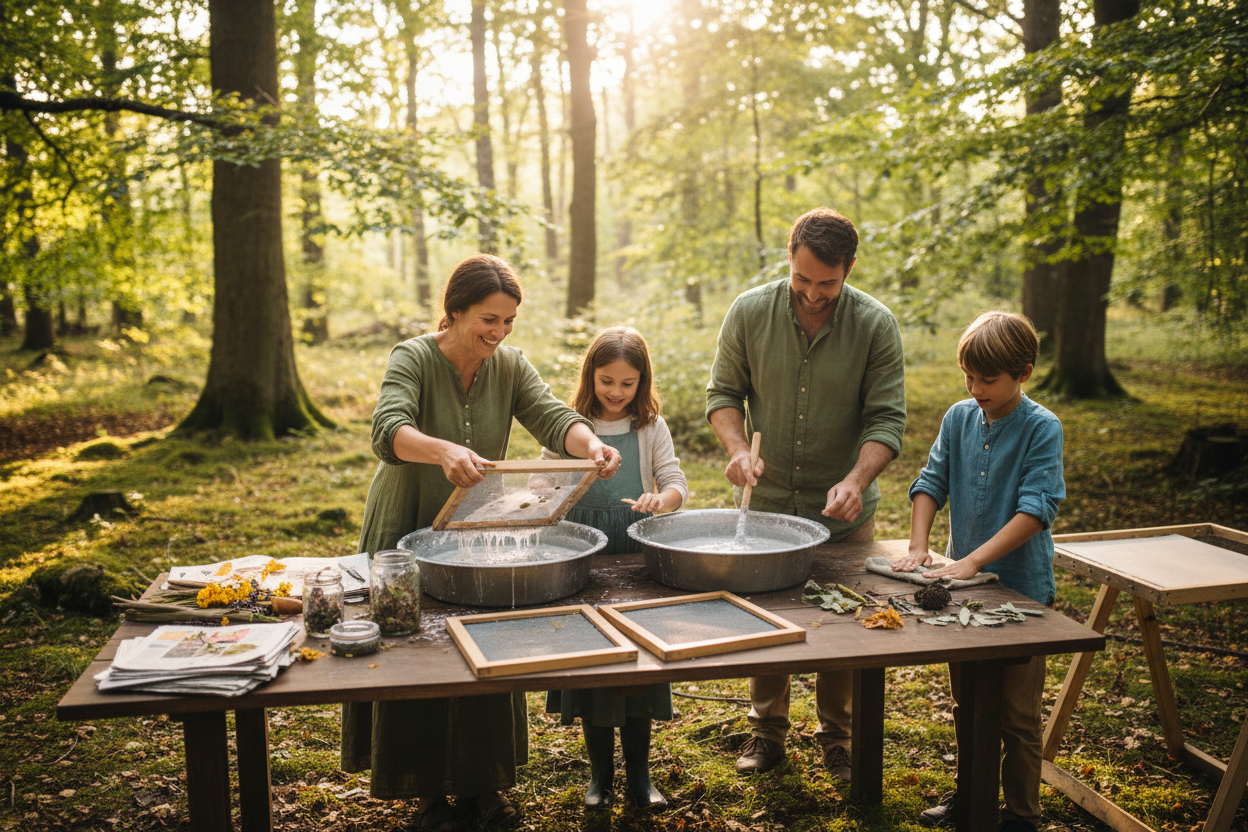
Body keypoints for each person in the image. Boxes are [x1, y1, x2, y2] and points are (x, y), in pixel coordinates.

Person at [341, 254, 621, 832]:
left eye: (509, 321)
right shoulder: (413, 357)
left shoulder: (510, 366)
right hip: (405, 522)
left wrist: (590, 444)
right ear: (454, 311)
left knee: (480, 644)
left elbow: (553, 416)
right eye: (488, 320)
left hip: (476, 530)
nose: (499, 333)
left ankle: (483, 784)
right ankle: (425, 794)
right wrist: (443, 450)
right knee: (417, 651)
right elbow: (387, 429)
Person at [705, 207, 907, 779]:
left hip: (841, 515)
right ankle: (767, 732)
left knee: (840, 623)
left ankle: (837, 737)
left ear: (850, 269)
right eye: (802, 279)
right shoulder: (749, 312)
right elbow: (723, 394)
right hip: (766, 506)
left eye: (828, 283)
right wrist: (737, 450)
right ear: (788, 257)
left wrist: (856, 480)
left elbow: (887, 419)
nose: (814, 294)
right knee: (767, 618)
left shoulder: (875, 325)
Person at [892, 311, 1065, 832]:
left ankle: (1021, 816)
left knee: (1016, 714)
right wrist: (920, 546)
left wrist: (972, 561)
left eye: (987, 379)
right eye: (968, 376)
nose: (975, 389)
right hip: (962, 594)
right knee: (968, 704)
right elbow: (931, 482)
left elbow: (1036, 510)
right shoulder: (959, 417)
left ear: (1024, 373)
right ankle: (970, 798)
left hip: (1020, 594)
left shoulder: (1042, 428)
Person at [542, 325, 688, 811]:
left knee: (638, 662)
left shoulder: (650, 427)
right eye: (607, 381)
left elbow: (674, 481)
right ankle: (600, 776)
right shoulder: (572, 426)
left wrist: (660, 500)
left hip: (633, 555)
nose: (616, 392)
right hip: (582, 554)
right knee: (594, 665)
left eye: (628, 383)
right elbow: (544, 479)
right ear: (591, 375)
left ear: (642, 382)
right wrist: (551, 489)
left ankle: (640, 776)